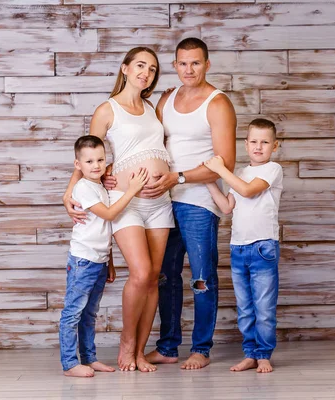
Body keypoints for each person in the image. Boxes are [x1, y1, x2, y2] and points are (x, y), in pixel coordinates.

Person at [62, 48, 174, 373]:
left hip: (159, 203)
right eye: (140, 66)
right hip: (126, 200)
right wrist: (70, 191)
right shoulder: (107, 109)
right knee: (139, 273)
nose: (146, 73)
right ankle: (127, 342)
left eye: (152, 69)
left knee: (153, 277)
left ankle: (140, 351)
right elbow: (88, 152)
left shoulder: (153, 108)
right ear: (125, 68)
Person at [142, 37, 237, 370]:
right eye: (182, 63)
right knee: (165, 276)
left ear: (207, 64)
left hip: (198, 202)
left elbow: (225, 161)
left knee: (201, 277)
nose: (189, 69)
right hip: (162, 203)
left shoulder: (217, 103)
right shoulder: (166, 99)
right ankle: (168, 347)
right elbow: (149, 143)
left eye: (195, 63)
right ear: (175, 65)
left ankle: (201, 348)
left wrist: (178, 177)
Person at [59, 135, 149, 378]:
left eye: (100, 159)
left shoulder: (99, 186)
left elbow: (103, 229)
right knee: (73, 312)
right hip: (83, 260)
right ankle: (69, 363)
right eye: (89, 161)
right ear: (78, 165)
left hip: (97, 260)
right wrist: (132, 190)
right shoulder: (83, 187)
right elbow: (109, 215)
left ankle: (89, 358)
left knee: (89, 314)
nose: (96, 165)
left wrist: (108, 261)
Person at [204, 118, 283, 373]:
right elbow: (227, 206)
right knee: (245, 309)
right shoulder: (240, 174)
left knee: (264, 308)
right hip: (238, 248)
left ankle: (263, 355)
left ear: (275, 145)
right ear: (246, 144)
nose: (258, 147)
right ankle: (250, 353)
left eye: (265, 142)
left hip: (263, 248)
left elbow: (249, 191)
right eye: (254, 142)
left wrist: (220, 169)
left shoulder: (272, 169)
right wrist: (208, 179)